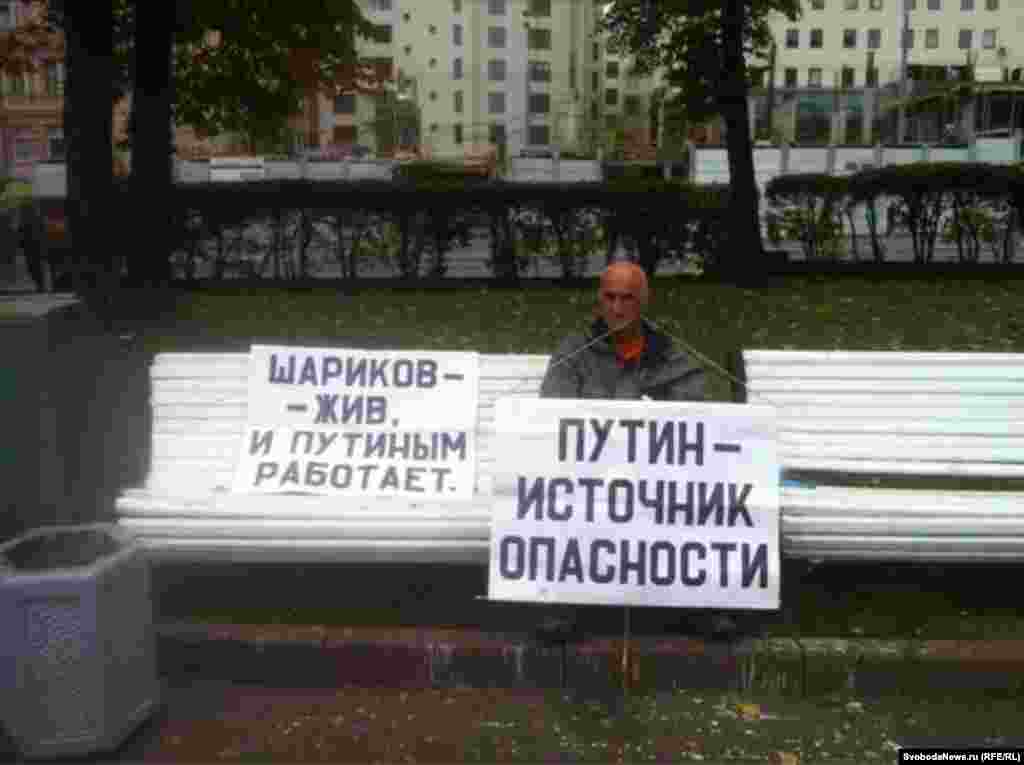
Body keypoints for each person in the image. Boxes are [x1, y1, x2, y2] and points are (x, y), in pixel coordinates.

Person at [539, 261, 704, 401]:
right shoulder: (574, 352)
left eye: (627, 298)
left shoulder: (669, 355)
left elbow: (690, 418)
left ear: (644, 300)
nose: (617, 309)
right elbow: (553, 414)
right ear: (600, 299)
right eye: (610, 298)